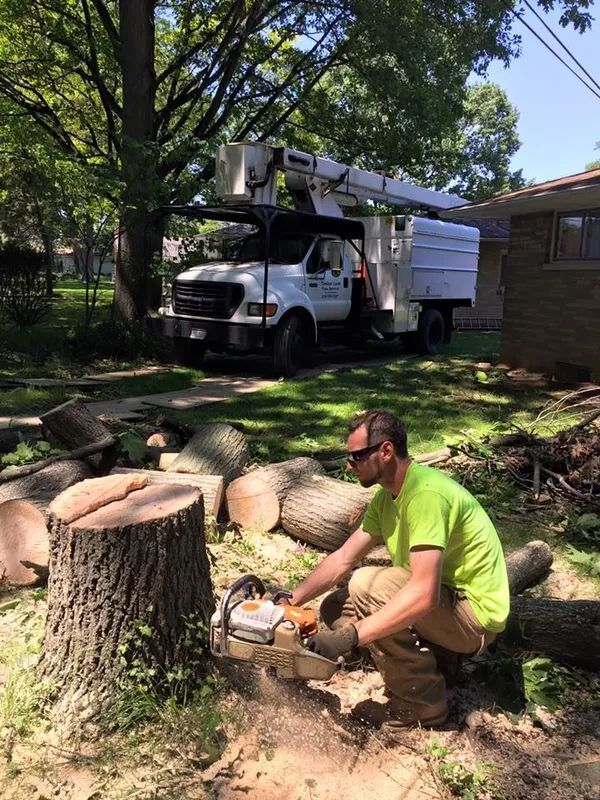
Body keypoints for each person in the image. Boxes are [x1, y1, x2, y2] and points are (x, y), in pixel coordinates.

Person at [281, 410, 510, 733]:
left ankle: (422, 706)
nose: (349, 464)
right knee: (336, 606)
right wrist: (287, 600)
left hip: (473, 618)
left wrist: (349, 637)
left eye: (357, 456)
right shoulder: (387, 498)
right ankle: (435, 662)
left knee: (366, 586)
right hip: (445, 603)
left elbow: (423, 595)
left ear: (385, 451)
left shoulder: (426, 495)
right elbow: (343, 558)